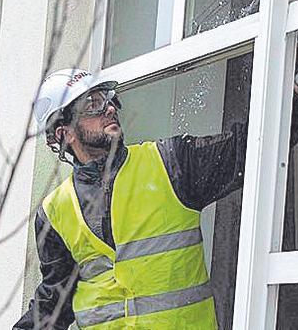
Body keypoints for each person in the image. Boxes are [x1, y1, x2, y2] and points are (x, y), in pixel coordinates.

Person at [14, 68, 247, 329]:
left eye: (109, 99)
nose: (110, 108)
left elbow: (251, 146)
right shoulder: (54, 212)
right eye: (93, 103)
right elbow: (53, 304)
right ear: (64, 133)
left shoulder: (172, 164)